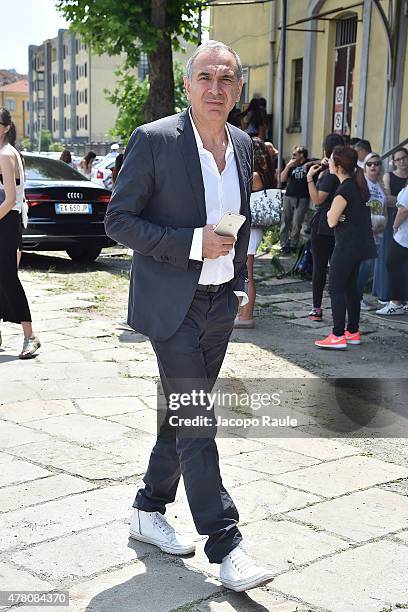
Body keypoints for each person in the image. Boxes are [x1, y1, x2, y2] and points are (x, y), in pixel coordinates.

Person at [104, 40, 273, 592]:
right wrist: (191, 243)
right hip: (172, 307)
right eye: (206, 77)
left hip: (220, 302)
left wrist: (239, 282)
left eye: (227, 79)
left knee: (182, 414)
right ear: (188, 84)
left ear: (239, 90)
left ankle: (149, 508)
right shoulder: (154, 141)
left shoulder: (244, 144)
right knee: (199, 419)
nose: (217, 88)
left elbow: (237, 219)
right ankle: (226, 545)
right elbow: (119, 221)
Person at [315, 145, 376, 349]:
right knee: (351, 290)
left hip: (346, 247)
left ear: (338, 165)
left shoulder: (343, 190)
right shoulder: (356, 186)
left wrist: (332, 214)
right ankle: (353, 331)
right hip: (358, 246)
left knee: (336, 288)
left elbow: (331, 221)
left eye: (331, 159)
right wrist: (337, 215)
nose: (329, 163)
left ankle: (338, 334)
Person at [0, 107, 40, 358]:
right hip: (7, 219)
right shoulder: (6, 152)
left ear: (5, 127)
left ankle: (30, 336)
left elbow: (10, 199)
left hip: (6, 220)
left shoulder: (5, 154)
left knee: (9, 279)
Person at [235, 137, 276, 328]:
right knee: (245, 271)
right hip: (252, 227)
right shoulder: (264, 173)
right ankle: (243, 313)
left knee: (247, 273)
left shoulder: (254, 175)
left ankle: (246, 316)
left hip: (250, 228)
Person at [306, 133, 345, 321]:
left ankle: (317, 308)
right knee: (337, 267)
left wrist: (310, 179)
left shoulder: (329, 175)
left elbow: (317, 199)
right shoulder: (344, 172)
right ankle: (341, 310)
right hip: (339, 223)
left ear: (326, 150)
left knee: (320, 267)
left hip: (323, 224)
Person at [373, 147, 408, 303]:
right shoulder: (389, 176)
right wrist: (401, 201)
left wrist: (399, 201)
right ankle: (387, 294)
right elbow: (386, 199)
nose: (402, 161)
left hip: (404, 219)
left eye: (404, 158)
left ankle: (402, 296)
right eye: (398, 159)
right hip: (392, 219)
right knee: (389, 257)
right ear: (394, 162)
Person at [357, 153, 388, 309]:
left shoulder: (380, 186)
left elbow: (383, 210)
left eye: (376, 163)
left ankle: (358, 297)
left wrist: (383, 225)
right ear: (365, 167)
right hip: (365, 230)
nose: (373, 166)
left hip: (378, 230)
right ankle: (357, 298)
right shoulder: (363, 184)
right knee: (365, 265)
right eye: (369, 164)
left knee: (368, 266)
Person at [376, 183, 408, 315]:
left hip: (404, 235)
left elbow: (404, 210)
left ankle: (396, 302)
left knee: (392, 264)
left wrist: (395, 226)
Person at [280, 145, 310, 253]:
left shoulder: (309, 163)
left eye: (294, 154)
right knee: (285, 221)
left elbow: (321, 161)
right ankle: (284, 244)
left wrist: (307, 164)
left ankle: (293, 244)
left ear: (302, 155)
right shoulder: (291, 165)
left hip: (302, 198)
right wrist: (288, 166)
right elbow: (282, 179)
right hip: (288, 196)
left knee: (297, 222)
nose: (292, 156)